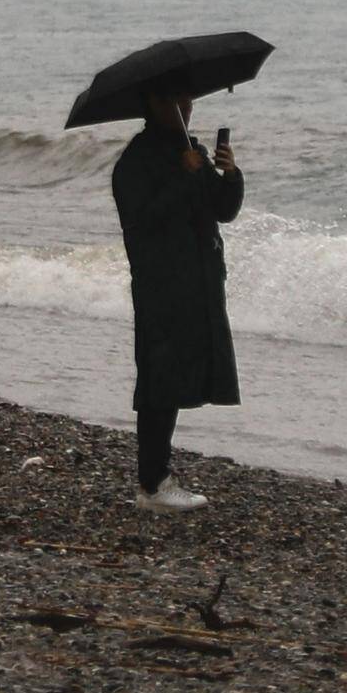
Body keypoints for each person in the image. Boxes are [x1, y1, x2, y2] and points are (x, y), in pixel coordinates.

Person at [110, 101, 243, 508]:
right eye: (175, 102)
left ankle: (157, 475)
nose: (185, 108)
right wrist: (183, 177)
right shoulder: (135, 161)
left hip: (198, 282)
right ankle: (152, 483)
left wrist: (230, 173)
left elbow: (224, 209)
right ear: (154, 107)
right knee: (158, 381)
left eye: (188, 100)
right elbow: (143, 220)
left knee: (179, 377)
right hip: (159, 285)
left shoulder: (191, 152)